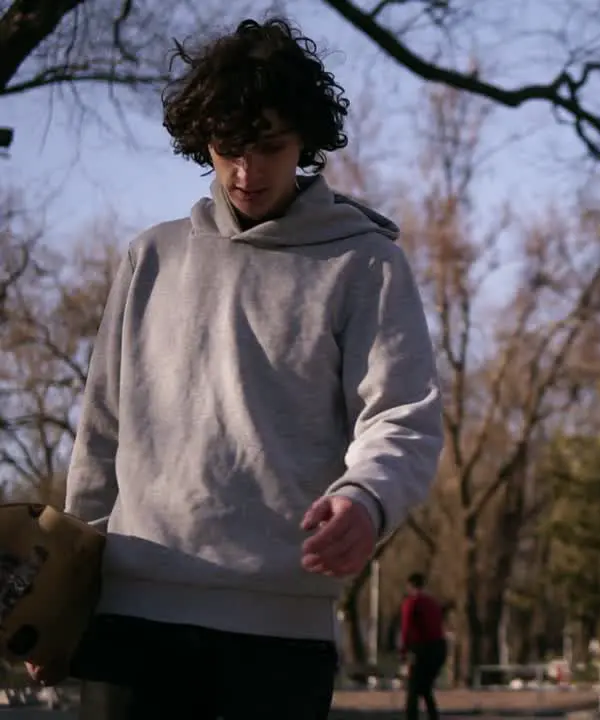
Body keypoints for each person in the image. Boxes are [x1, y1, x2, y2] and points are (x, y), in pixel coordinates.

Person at [31, 16, 443, 720]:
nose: (247, 173)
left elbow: (401, 417)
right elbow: (101, 437)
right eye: (228, 150)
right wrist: (62, 595)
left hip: (278, 634)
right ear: (203, 143)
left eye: (270, 148)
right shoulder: (150, 259)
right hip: (135, 622)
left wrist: (367, 501)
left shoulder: (364, 263)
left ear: (304, 141)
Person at [399, 573, 446, 720]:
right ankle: (433, 716)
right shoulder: (433, 602)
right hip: (439, 648)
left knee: (413, 690)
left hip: (423, 649)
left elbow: (406, 628)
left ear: (410, 585)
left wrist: (404, 651)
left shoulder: (411, 602)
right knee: (425, 687)